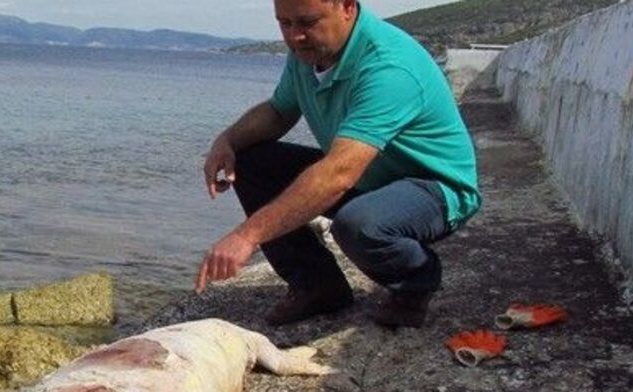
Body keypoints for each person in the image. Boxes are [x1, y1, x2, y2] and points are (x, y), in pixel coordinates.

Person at [195, 0, 480, 328]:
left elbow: (339, 173)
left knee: (359, 225)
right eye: (284, 23)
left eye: (307, 22)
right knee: (251, 162)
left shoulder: (389, 67)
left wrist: (246, 236)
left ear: (347, 7)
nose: (295, 36)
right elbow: (279, 111)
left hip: (433, 188)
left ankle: (417, 279)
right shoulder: (308, 52)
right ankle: (318, 286)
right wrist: (227, 141)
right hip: (370, 176)